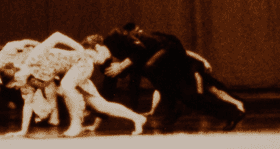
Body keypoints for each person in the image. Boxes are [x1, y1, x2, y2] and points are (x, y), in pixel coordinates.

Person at [100, 25, 245, 130]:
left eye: (95, 55)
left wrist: (121, 66)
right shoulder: (110, 63)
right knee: (190, 98)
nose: (96, 60)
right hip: (168, 69)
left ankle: (173, 110)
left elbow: (140, 50)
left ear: (98, 47)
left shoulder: (115, 37)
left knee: (150, 68)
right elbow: (111, 89)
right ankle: (232, 114)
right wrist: (98, 119)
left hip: (169, 51)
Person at [11, 32, 149, 137]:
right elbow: (28, 105)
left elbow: (57, 36)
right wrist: (23, 131)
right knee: (100, 105)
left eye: (15, 83)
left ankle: (76, 124)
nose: (16, 87)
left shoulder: (34, 57)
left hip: (81, 62)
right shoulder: (26, 83)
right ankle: (137, 118)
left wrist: (78, 47)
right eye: (14, 86)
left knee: (66, 85)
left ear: (18, 72)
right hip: (74, 71)